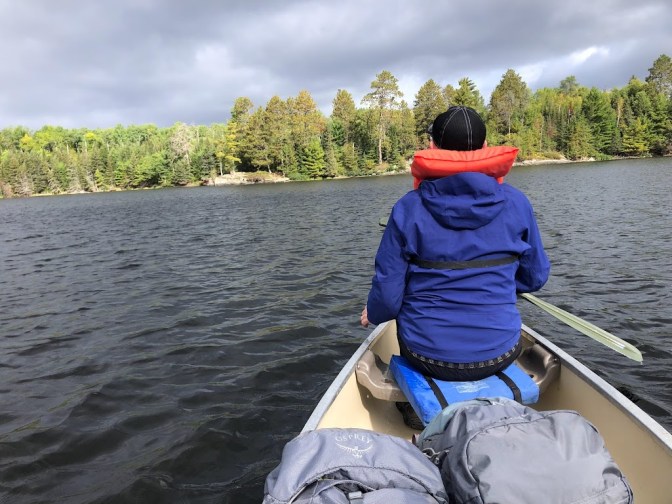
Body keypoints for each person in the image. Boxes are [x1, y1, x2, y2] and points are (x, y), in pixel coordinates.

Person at [360, 106, 550, 381]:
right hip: (501, 352)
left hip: (427, 357)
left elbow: (388, 300)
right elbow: (535, 277)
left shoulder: (407, 209)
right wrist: (495, 281)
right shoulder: (518, 203)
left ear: (433, 146)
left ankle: (412, 409)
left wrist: (374, 312)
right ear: (485, 147)